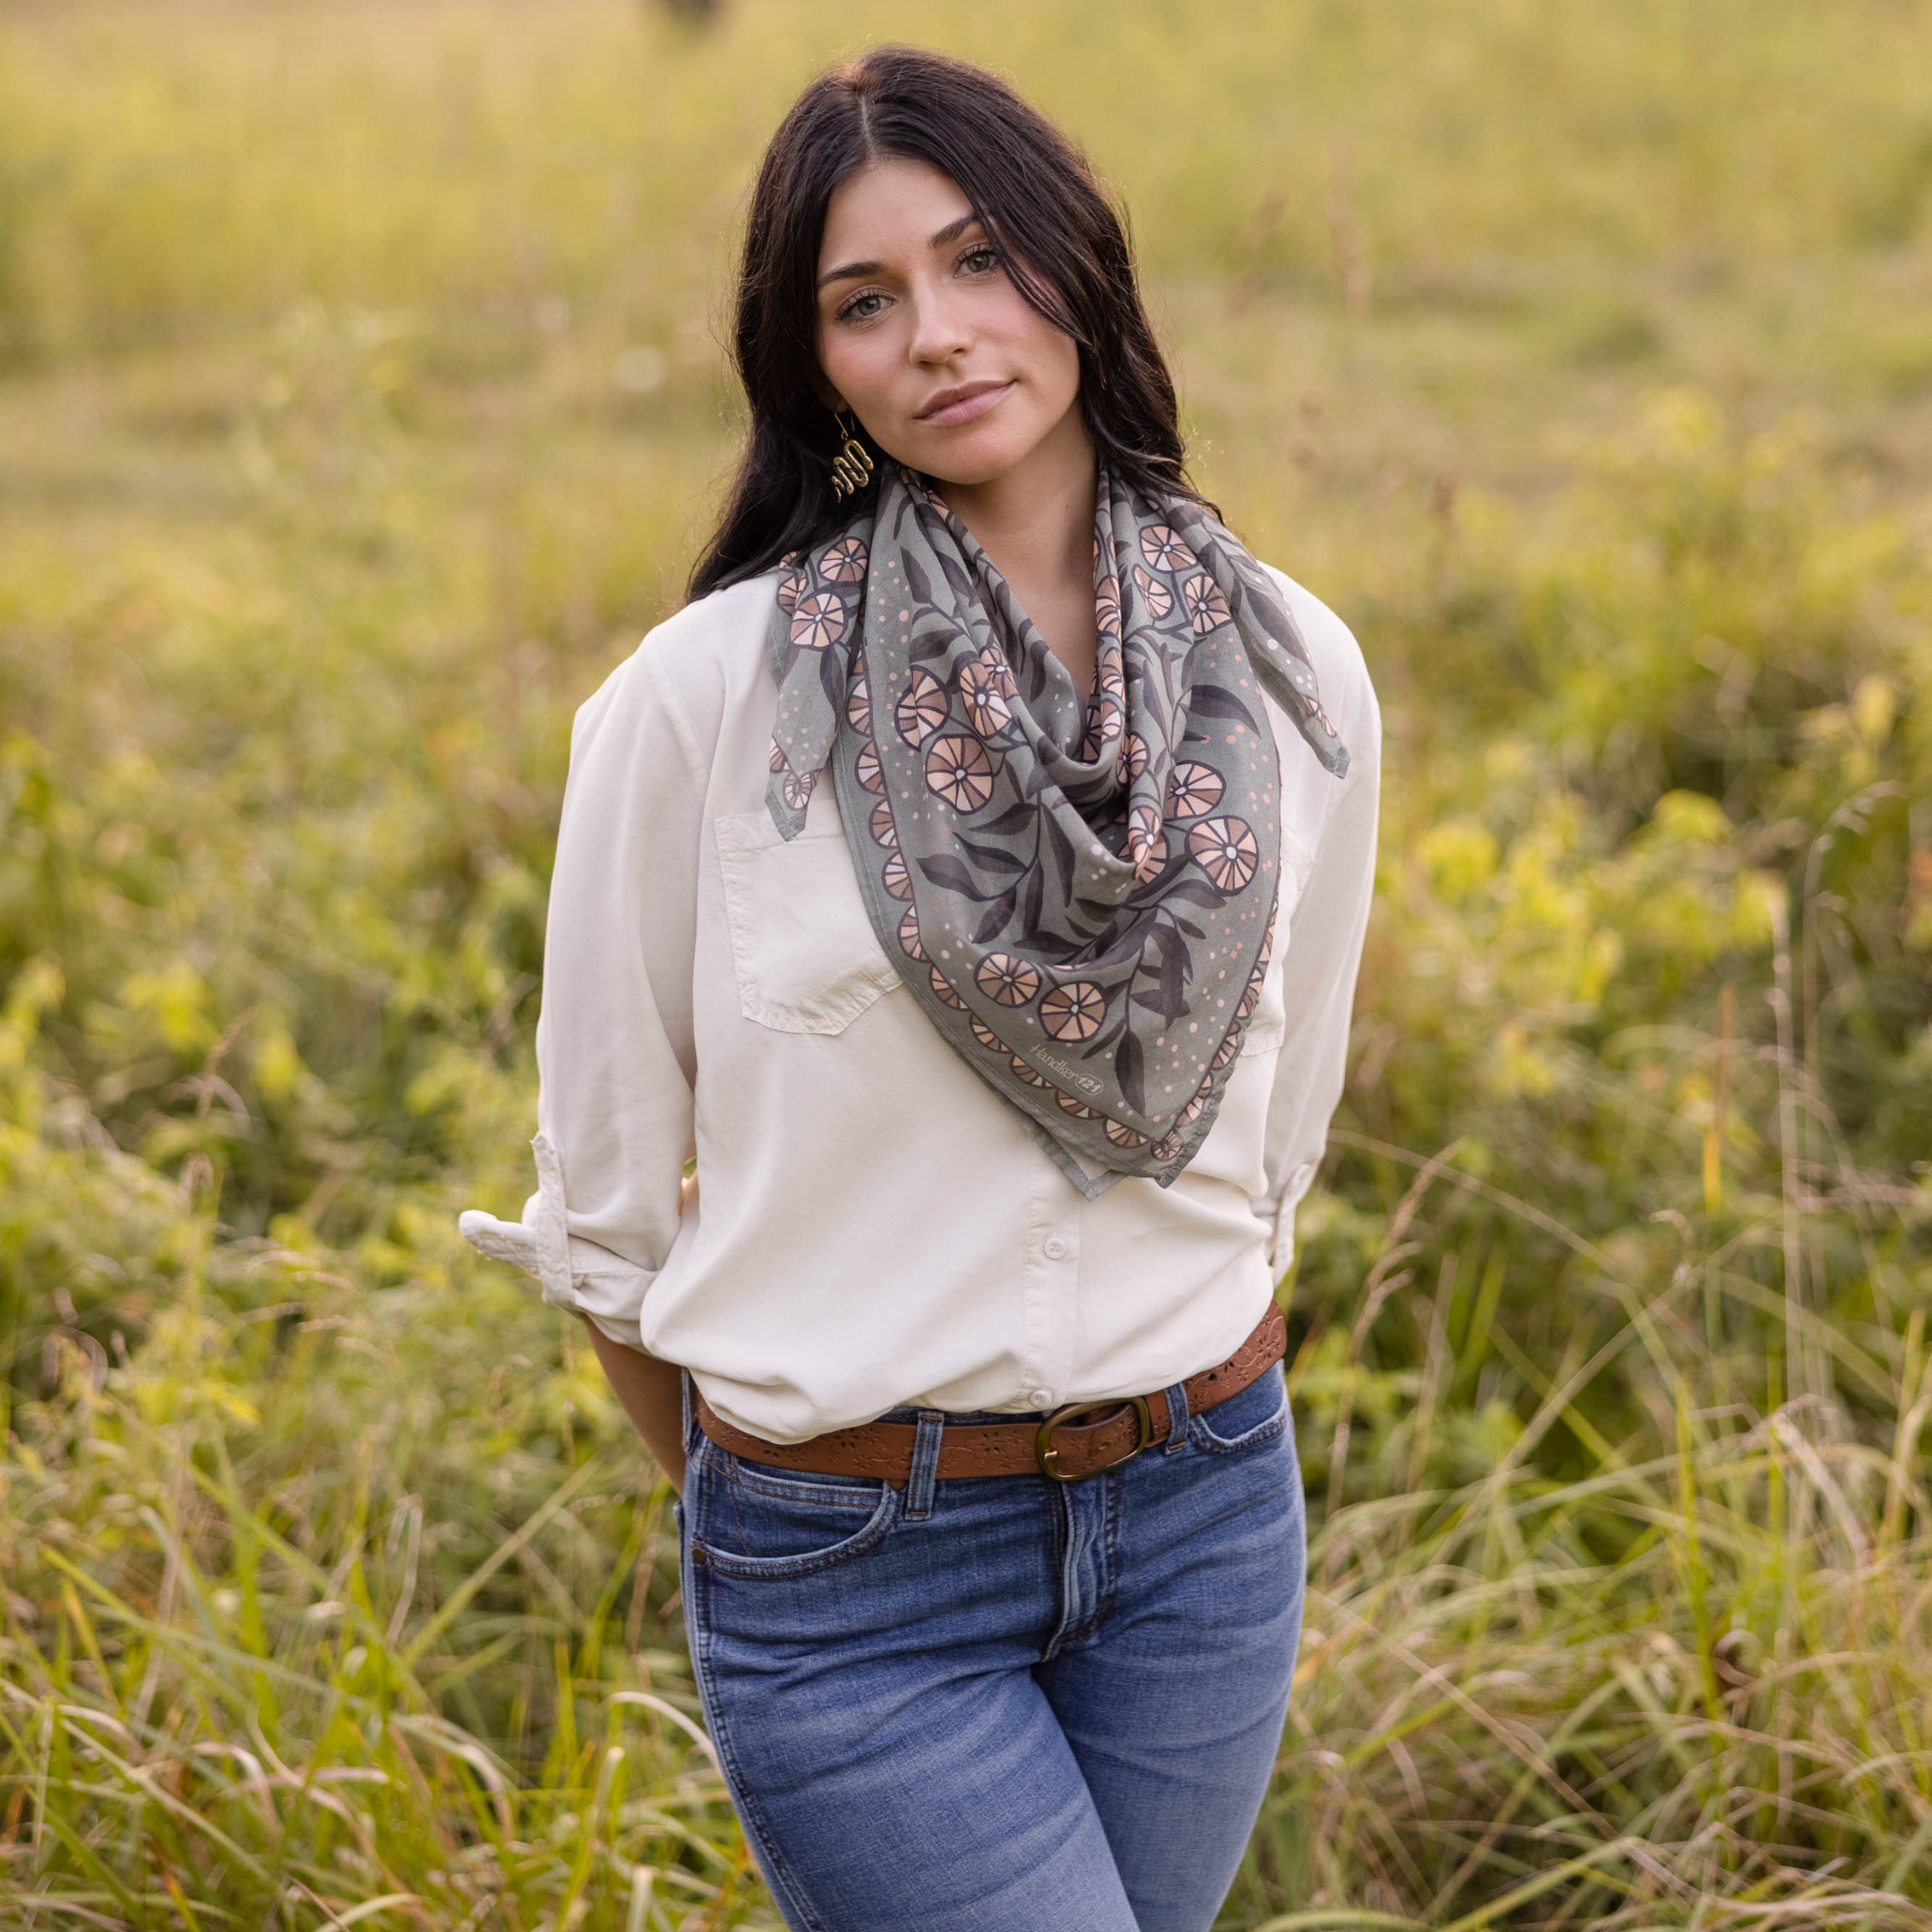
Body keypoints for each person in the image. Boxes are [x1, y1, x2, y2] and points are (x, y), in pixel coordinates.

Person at [461, 44, 1379, 1932]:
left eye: (978, 261)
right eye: (862, 301)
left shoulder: (1294, 672)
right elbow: (615, 1222)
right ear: (814, 371)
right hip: (851, 1567)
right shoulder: (702, 710)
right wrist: (805, 1498)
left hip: (1203, 1514)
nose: (939, 335)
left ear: (1076, 266)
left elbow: (1276, 1149)